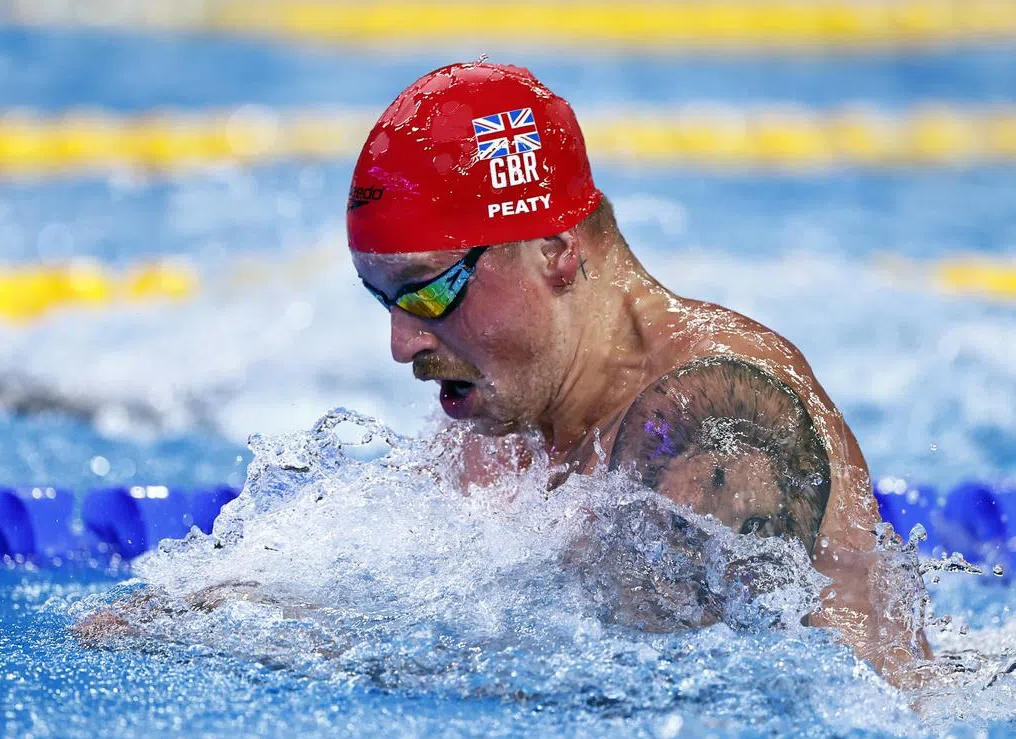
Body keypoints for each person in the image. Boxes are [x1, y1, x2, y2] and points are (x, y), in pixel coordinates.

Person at [347, 61, 930, 676]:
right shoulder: (501, 421)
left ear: (555, 251)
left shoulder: (713, 417)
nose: (402, 343)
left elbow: (858, 696)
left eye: (427, 293)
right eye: (382, 298)